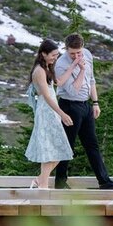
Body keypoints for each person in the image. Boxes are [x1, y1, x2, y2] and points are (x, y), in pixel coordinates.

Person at [53, 33, 113, 190]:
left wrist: (95, 103)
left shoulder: (87, 55)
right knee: (67, 146)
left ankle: (104, 181)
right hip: (69, 106)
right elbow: (73, 91)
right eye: (72, 53)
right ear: (66, 49)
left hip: (85, 105)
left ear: (83, 48)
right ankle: (60, 182)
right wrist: (79, 69)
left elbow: (91, 80)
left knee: (92, 144)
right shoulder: (61, 65)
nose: (76, 56)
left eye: (79, 52)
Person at [24, 39, 74, 189]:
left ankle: (40, 181)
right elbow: (46, 96)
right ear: (43, 54)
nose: (55, 58)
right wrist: (62, 114)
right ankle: (43, 186)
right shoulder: (39, 70)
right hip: (46, 111)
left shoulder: (47, 67)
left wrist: (74, 66)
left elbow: (58, 82)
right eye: (52, 55)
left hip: (52, 112)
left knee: (59, 151)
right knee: (50, 150)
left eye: (57, 55)